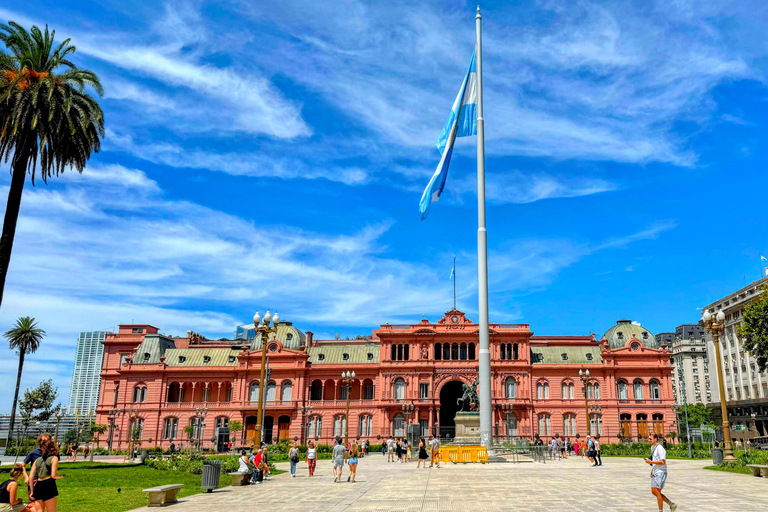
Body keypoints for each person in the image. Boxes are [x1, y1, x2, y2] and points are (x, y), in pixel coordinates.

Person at [645, 433, 677, 512]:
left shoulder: (660, 448)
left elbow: (662, 462)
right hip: (655, 471)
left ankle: (661, 510)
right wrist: (652, 470)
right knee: (654, 491)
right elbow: (656, 459)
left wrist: (651, 461)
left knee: (657, 491)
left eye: (650, 439)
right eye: (648, 439)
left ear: (655, 439)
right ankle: (671, 504)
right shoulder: (653, 447)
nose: (649, 440)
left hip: (661, 472)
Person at [29, 439, 62, 512]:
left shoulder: (37, 460)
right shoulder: (54, 458)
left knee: (39, 510)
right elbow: (53, 475)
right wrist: (61, 476)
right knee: (51, 510)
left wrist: (32, 491)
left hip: (38, 485)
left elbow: (31, 477)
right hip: (48, 484)